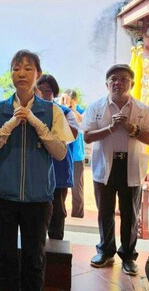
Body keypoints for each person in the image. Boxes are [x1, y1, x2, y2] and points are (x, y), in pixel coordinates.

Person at [0, 50, 73, 291]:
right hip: (2, 197)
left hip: (38, 199)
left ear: (37, 74)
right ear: (11, 74)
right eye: (16, 68)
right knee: (5, 261)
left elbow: (60, 153)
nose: (21, 73)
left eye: (28, 68)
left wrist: (35, 122)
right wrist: (11, 123)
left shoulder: (52, 112)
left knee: (34, 260)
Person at [82, 64, 149, 276]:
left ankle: (129, 256)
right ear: (106, 84)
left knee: (130, 214)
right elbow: (87, 136)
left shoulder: (144, 110)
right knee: (105, 211)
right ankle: (105, 251)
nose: (117, 83)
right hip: (105, 165)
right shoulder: (96, 107)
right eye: (113, 79)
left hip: (131, 165)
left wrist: (133, 129)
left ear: (131, 83)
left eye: (123, 79)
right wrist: (110, 128)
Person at [36, 74, 79, 240]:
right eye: (40, 90)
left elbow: (73, 134)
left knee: (57, 208)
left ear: (54, 94)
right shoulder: (30, 111)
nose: (44, 94)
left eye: (48, 91)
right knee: (36, 209)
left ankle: (56, 245)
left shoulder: (65, 112)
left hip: (58, 168)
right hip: (36, 168)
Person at [60, 89, 85, 218]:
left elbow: (82, 123)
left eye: (70, 99)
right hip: (62, 153)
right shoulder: (58, 108)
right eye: (64, 98)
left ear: (75, 100)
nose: (66, 101)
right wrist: (63, 108)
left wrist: (72, 109)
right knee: (60, 186)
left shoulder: (80, 110)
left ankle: (77, 215)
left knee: (77, 188)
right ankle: (59, 212)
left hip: (76, 156)